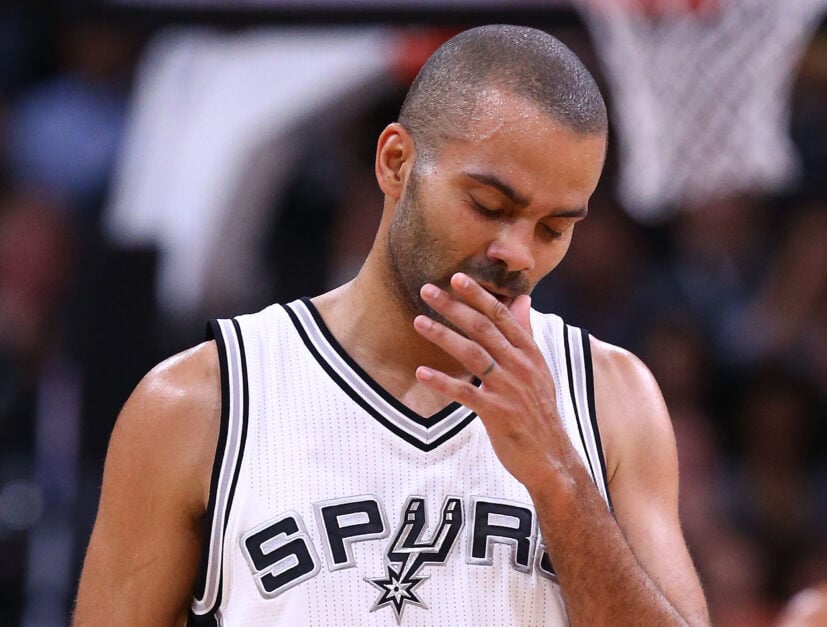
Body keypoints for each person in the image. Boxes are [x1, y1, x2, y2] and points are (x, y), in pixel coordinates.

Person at [73, 25, 709, 626]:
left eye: (554, 229)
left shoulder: (613, 397)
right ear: (396, 162)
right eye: (489, 205)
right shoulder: (198, 402)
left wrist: (560, 475)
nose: (519, 251)